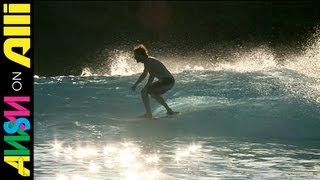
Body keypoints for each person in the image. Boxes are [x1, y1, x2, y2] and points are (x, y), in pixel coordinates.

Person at [131, 44, 178, 119]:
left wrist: (146, 87)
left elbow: (152, 76)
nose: (134, 57)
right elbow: (144, 74)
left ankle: (149, 114)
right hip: (167, 81)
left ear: (140, 55)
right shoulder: (148, 61)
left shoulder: (149, 61)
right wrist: (136, 84)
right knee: (149, 92)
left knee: (146, 91)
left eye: (136, 55)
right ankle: (168, 111)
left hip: (168, 81)